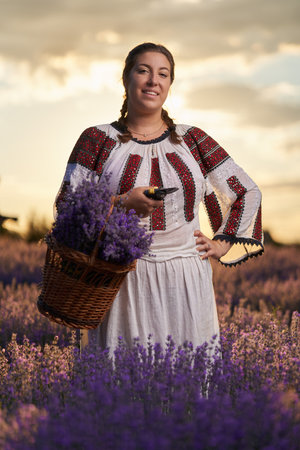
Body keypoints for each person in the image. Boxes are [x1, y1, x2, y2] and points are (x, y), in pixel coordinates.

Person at [55, 42, 264, 353]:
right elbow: (68, 206)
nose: (154, 81)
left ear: (169, 85)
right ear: (126, 79)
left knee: (189, 376)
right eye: (143, 71)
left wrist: (222, 243)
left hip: (186, 278)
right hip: (122, 279)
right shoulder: (97, 139)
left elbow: (246, 190)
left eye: (163, 74)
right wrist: (123, 203)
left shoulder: (193, 140)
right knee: (123, 376)